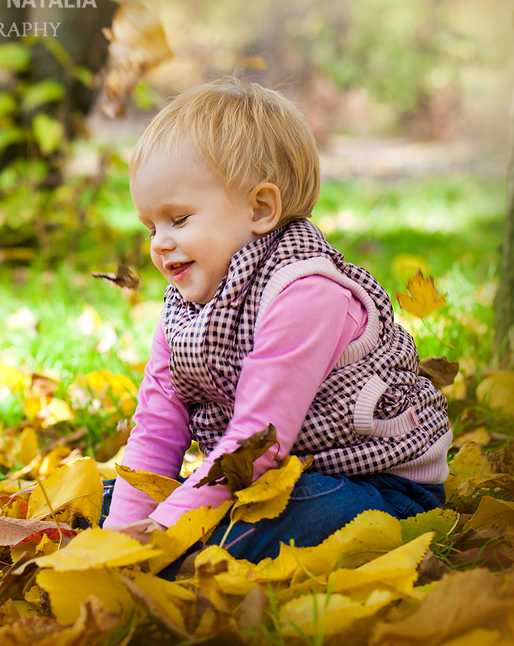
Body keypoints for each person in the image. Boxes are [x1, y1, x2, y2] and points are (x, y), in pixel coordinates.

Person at [101, 76, 452, 565]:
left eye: (178, 220)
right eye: (150, 226)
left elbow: (256, 441)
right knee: (115, 497)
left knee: (293, 515)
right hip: (267, 475)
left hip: (374, 485)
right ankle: (172, 542)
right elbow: (157, 429)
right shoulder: (185, 306)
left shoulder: (307, 294)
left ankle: (193, 549)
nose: (159, 243)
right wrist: (121, 537)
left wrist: (162, 534)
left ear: (260, 208)